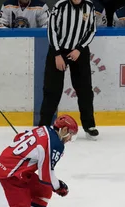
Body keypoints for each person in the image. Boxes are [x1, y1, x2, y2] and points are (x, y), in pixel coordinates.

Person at [0, 115, 78, 207]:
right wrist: (59, 187)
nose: (70, 139)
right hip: (12, 173)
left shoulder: (44, 129)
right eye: (70, 134)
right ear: (64, 129)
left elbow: (18, 138)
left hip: (14, 168)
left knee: (44, 190)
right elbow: (46, 173)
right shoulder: (55, 143)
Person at [39, 0, 99, 140]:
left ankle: (89, 125)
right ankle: (44, 126)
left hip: (79, 51)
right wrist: (57, 54)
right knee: (52, 89)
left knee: (85, 89)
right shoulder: (60, 5)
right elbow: (51, 29)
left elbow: (92, 29)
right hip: (58, 50)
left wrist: (79, 49)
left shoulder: (89, 7)